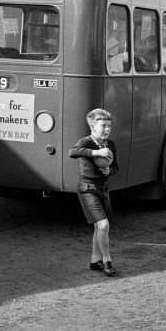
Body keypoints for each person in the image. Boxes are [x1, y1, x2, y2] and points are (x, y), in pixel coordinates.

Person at [68, 108, 119, 277]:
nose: (107, 129)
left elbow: (116, 167)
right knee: (103, 225)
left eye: (109, 126)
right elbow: (73, 152)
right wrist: (96, 152)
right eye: (103, 125)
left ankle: (94, 260)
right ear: (92, 126)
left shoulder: (110, 145)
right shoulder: (86, 142)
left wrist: (109, 172)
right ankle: (107, 260)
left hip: (102, 189)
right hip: (87, 189)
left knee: (100, 227)